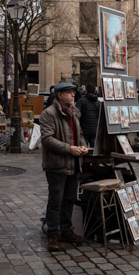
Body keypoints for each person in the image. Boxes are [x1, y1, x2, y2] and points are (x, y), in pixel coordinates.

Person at [40, 82, 88, 252]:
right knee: (55, 202)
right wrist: (69, 149)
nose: (73, 95)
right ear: (60, 95)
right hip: (57, 165)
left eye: (73, 93)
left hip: (74, 163)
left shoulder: (74, 113)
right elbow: (46, 139)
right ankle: (53, 235)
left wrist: (82, 146)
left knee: (69, 199)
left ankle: (66, 231)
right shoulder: (48, 114)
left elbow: (79, 134)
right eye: (69, 93)